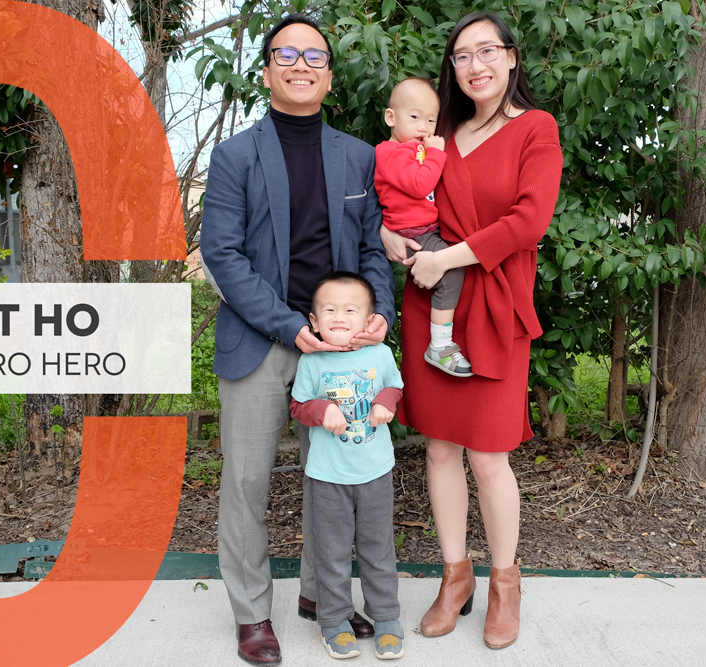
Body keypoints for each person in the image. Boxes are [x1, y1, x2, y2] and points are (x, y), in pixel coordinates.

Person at [199, 13, 396, 665]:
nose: (300, 64)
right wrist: (290, 326)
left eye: (314, 56)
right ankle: (253, 613)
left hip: (343, 346)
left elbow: (372, 247)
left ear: (329, 76)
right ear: (266, 72)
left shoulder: (358, 156)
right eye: (286, 53)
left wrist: (379, 317)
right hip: (263, 340)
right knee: (248, 481)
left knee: (332, 477)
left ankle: (322, 597)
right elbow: (223, 256)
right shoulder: (234, 157)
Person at [379, 11, 563, 650]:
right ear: (450, 69)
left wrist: (447, 258)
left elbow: (529, 222)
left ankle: (504, 582)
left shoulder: (535, 129)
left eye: (487, 51)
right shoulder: (438, 131)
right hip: (430, 303)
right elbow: (395, 200)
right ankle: (454, 577)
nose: (475, 65)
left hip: (492, 301)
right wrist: (387, 235)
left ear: (512, 58)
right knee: (437, 448)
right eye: (461, 56)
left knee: (488, 455)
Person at [289, 272, 405, 660]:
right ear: (313, 320)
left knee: (378, 548)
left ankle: (386, 617)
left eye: (351, 310)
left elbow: (394, 385)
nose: (340, 316)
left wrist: (386, 403)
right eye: (330, 310)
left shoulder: (380, 354)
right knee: (332, 552)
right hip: (327, 476)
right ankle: (334, 620)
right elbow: (298, 405)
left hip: (375, 472)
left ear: (369, 318)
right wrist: (322, 411)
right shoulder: (311, 360)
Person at [375, 77, 472, 378]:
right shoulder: (391, 152)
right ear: (391, 118)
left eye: (431, 120)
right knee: (453, 269)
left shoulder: (408, 149)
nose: (424, 127)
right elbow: (420, 185)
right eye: (414, 117)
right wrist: (437, 154)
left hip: (422, 227)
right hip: (413, 232)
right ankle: (440, 345)